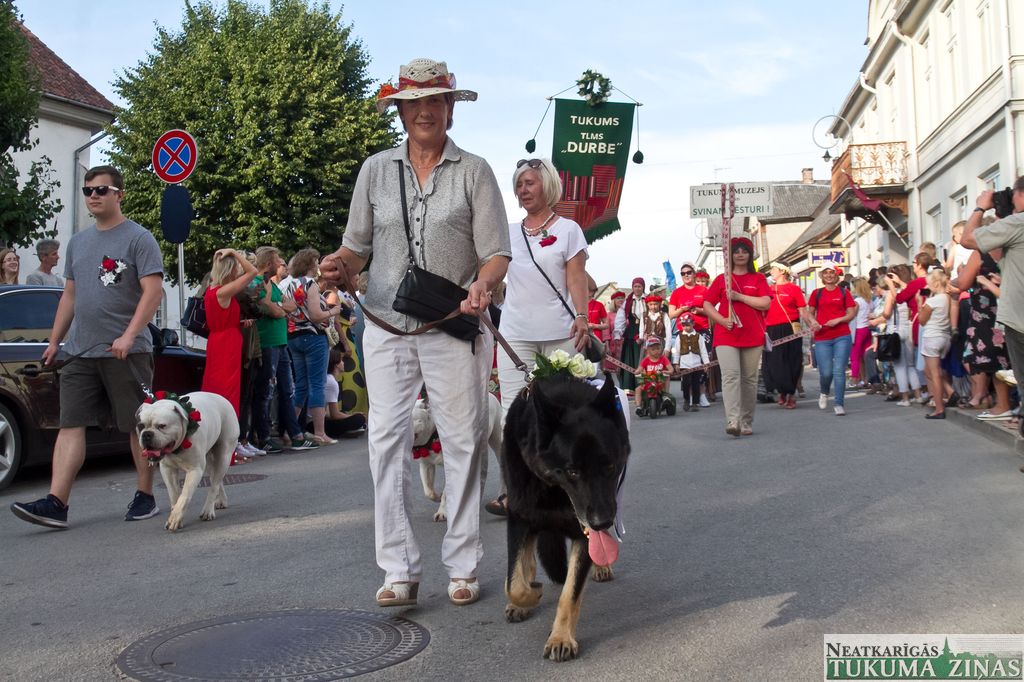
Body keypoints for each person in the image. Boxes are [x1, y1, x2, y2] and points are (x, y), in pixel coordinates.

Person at [319, 58, 510, 608]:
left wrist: (482, 285)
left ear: (450, 109)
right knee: (385, 441)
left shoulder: (475, 171)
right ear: (400, 112)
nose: (425, 111)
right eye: (414, 103)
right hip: (385, 322)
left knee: (462, 438)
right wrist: (338, 264)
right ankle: (398, 568)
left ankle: (463, 563)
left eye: (435, 101)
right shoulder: (375, 169)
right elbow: (357, 245)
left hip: (452, 321)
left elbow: (496, 251)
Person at [10, 165, 164, 529]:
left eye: (101, 190)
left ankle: (145, 495)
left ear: (119, 194)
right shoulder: (78, 242)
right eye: (88, 190)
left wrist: (129, 335)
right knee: (71, 424)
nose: (93, 196)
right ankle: (56, 503)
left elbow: (153, 292)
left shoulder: (139, 238)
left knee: (137, 425)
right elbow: (70, 295)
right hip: (79, 351)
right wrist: (54, 341)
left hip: (125, 351)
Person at [960, 180, 1024, 414]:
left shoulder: (1017, 223)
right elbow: (999, 256)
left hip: (1019, 316)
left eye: (1013, 194)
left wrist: (980, 207)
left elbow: (967, 239)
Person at [250, 247, 318, 453]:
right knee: (266, 391)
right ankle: (264, 437)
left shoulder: (272, 284)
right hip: (267, 343)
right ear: (269, 263)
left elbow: (290, 306)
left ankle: (295, 435)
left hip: (281, 342)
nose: (282, 262)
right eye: (278, 259)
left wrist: (277, 305)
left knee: (288, 390)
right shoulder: (256, 282)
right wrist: (278, 307)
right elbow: (273, 309)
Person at [702, 236, 771, 436]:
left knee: (749, 379)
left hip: (753, 334)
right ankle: (733, 419)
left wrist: (739, 297)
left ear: (750, 255)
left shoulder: (758, 279)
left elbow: (765, 303)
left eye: (744, 251)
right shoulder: (721, 279)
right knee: (730, 376)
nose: (740, 254)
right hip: (726, 334)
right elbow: (707, 304)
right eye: (736, 251)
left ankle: (746, 420)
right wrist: (721, 320)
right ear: (730, 255)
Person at [201, 248, 259, 458]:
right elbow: (253, 272)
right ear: (230, 269)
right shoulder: (223, 291)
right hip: (227, 346)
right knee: (227, 396)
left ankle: (220, 450)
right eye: (235, 267)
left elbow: (219, 318)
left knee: (216, 391)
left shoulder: (212, 290)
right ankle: (227, 453)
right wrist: (235, 252)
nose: (238, 270)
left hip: (220, 341)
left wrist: (238, 322)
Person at [282, 248, 342, 445]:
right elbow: (316, 315)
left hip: (293, 337)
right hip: (313, 336)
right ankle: (319, 432)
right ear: (309, 264)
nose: (318, 266)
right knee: (317, 384)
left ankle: (289, 430)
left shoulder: (287, 284)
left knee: (300, 385)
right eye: (316, 262)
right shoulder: (310, 284)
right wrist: (333, 311)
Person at [956, 247, 1013, 418]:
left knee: (993, 358)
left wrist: (962, 276)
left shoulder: (980, 253)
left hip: (986, 314)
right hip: (1002, 311)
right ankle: (990, 398)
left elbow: (962, 283)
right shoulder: (1011, 250)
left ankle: (1002, 404)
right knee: (999, 358)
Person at [809, 264, 856, 416]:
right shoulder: (816, 293)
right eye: (826, 273)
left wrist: (839, 320)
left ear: (836, 275)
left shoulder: (844, 292)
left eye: (831, 272)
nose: (829, 275)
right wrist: (813, 322)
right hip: (822, 337)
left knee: (839, 370)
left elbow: (851, 313)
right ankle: (824, 392)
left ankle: (839, 404)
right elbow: (810, 313)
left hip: (842, 335)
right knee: (826, 372)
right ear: (822, 276)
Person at [763, 262, 809, 409]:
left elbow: (803, 311)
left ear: (782, 271)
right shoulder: (768, 290)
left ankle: (791, 393)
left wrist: (812, 323)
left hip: (791, 328)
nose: (771, 271)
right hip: (772, 329)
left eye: (773, 269)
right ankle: (783, 390)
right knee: (774, 363)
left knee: (793, 361)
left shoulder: (794, 289)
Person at [876, 265, 921, 406]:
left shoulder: (892, 294)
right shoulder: (908, 290)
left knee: (899, 367)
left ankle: (905, 398)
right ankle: (918, 395)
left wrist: (877, 316)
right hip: (908, 329)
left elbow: (887, 313)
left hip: (895, 331)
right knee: (911, 365)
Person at [668, 262, 712, 406]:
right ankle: (691, 395)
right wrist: (682, 310)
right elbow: (671, 314)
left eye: (689, 272)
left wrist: (699, 310)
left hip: (701, 329)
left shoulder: (703, 290)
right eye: (683, 273)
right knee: (686, 363)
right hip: (684, 331)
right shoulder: (677, 292)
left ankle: (702, 393)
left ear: (694, 274)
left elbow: (712, 311)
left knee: (703, 362)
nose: (686, 275)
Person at [918, 268, 955, 419]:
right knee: (930, 371)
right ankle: (950, 392)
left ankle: (939, 409)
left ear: (936, 283)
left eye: (928, 284)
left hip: (932, 337)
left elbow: (922, 320)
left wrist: (920, 303)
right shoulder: (948, 298)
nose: (927, 287)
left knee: (934, 374)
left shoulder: (932, 301)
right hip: (945, 336)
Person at [324, 347, 368, 438]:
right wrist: (352, 416)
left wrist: (348, 415)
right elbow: (334, 415)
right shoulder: (331, 382)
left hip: (316, 420)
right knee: (359, 419)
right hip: (313, 424)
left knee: (345, 413)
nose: (343, 363)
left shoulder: (328, 379)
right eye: (341, 360)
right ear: (336, 365)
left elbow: (328, 413)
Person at [613, 277, 646, 392]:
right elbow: (621, 318)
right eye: (635, 286)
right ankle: (629, 387)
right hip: (631, 332)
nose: (637, 289)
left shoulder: (647, 300)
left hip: (645, 332)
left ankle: (643, 386)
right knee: (629, 359)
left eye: (639, 286)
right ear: (632, 287)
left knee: (643, 358)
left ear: (643, 287)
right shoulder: (628, 302)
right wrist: (618, 333)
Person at [673, 313, 709, 412]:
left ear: (693, 324)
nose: (686, 327)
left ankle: (695, 403)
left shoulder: (698, 336)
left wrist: (706, 363)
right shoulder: (679, 337)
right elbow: (677, 351)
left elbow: (703, 351)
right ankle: (686, 400)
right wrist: (676, 363)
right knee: (686, 384)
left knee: (696, 384)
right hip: (684, 365)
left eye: (688, 325)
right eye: (684, 325)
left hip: (696, 365)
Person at [635, 336, 674, 416]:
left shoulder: (663, 359)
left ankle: (665, 396)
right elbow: (639, 369)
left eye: (658, 349)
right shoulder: (646, 360)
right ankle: (638, 407)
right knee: (638, 389)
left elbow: (671, 369)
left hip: (659, 380)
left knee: (666, 378)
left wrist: (666, 371)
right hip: (648, 380)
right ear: (648, 350)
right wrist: (637, 371)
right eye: (653, 349)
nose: (656, 351)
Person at [849, 277, 874, 388]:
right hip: (867, 329)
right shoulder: (870, 301)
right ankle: (866, 379)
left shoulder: (857, 301)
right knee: (864, 357)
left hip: (858, 330)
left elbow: (851, 315)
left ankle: (855, 380)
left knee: (855, 357)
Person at [586, 276, 609, 342]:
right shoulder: (577, 304)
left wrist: (594, 326)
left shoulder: (599, 305)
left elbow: (606, 325)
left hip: (596, 338)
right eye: (587, 288)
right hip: (582, 337)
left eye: (591, 289)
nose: (589, 291)